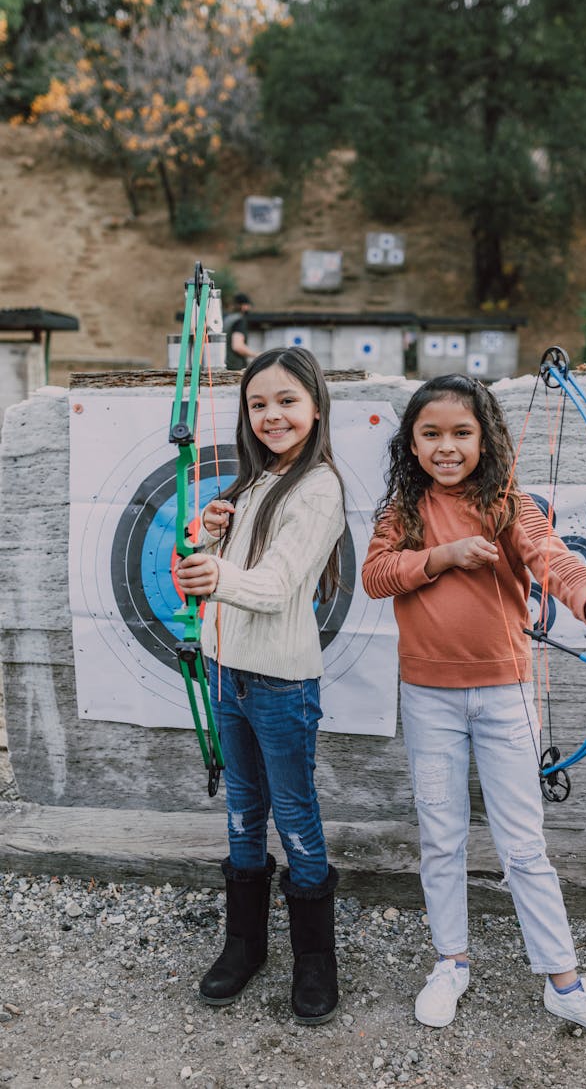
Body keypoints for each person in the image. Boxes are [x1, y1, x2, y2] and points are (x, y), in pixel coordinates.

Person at [361, 374, 586, 1044]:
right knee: (442, 834)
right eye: (431, 433)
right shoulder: (402, 507)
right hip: (427, 695)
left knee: (522, 843)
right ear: (412, 441)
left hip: (504, 694)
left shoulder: (510, 503)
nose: (447, 446)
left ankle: (565, 983)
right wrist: (443, 556)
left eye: (462, 432)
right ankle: (450, 961)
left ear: (485, 439)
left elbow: (559, 565)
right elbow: (376, 575)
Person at [176, 347, 346, 1025]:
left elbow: (274, 588)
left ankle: (314, 960)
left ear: (314, 406)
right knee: (243, 812)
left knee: (296, 817)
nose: (271, 414)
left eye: (286, 401)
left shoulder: (320, 486)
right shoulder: (248, 487)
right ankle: (244, 945)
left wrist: (217, 576)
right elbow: (209, 574)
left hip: (281, 684)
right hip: (228, 674)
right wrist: (206, 540)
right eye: (257, 403)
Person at [223, 292, 259, 369]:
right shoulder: (239, 320)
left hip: (225, 365)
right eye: (248, 305)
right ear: (243, 306)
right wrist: (257, 355)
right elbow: (238, 346)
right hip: (235, 367)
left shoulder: (227, 319)